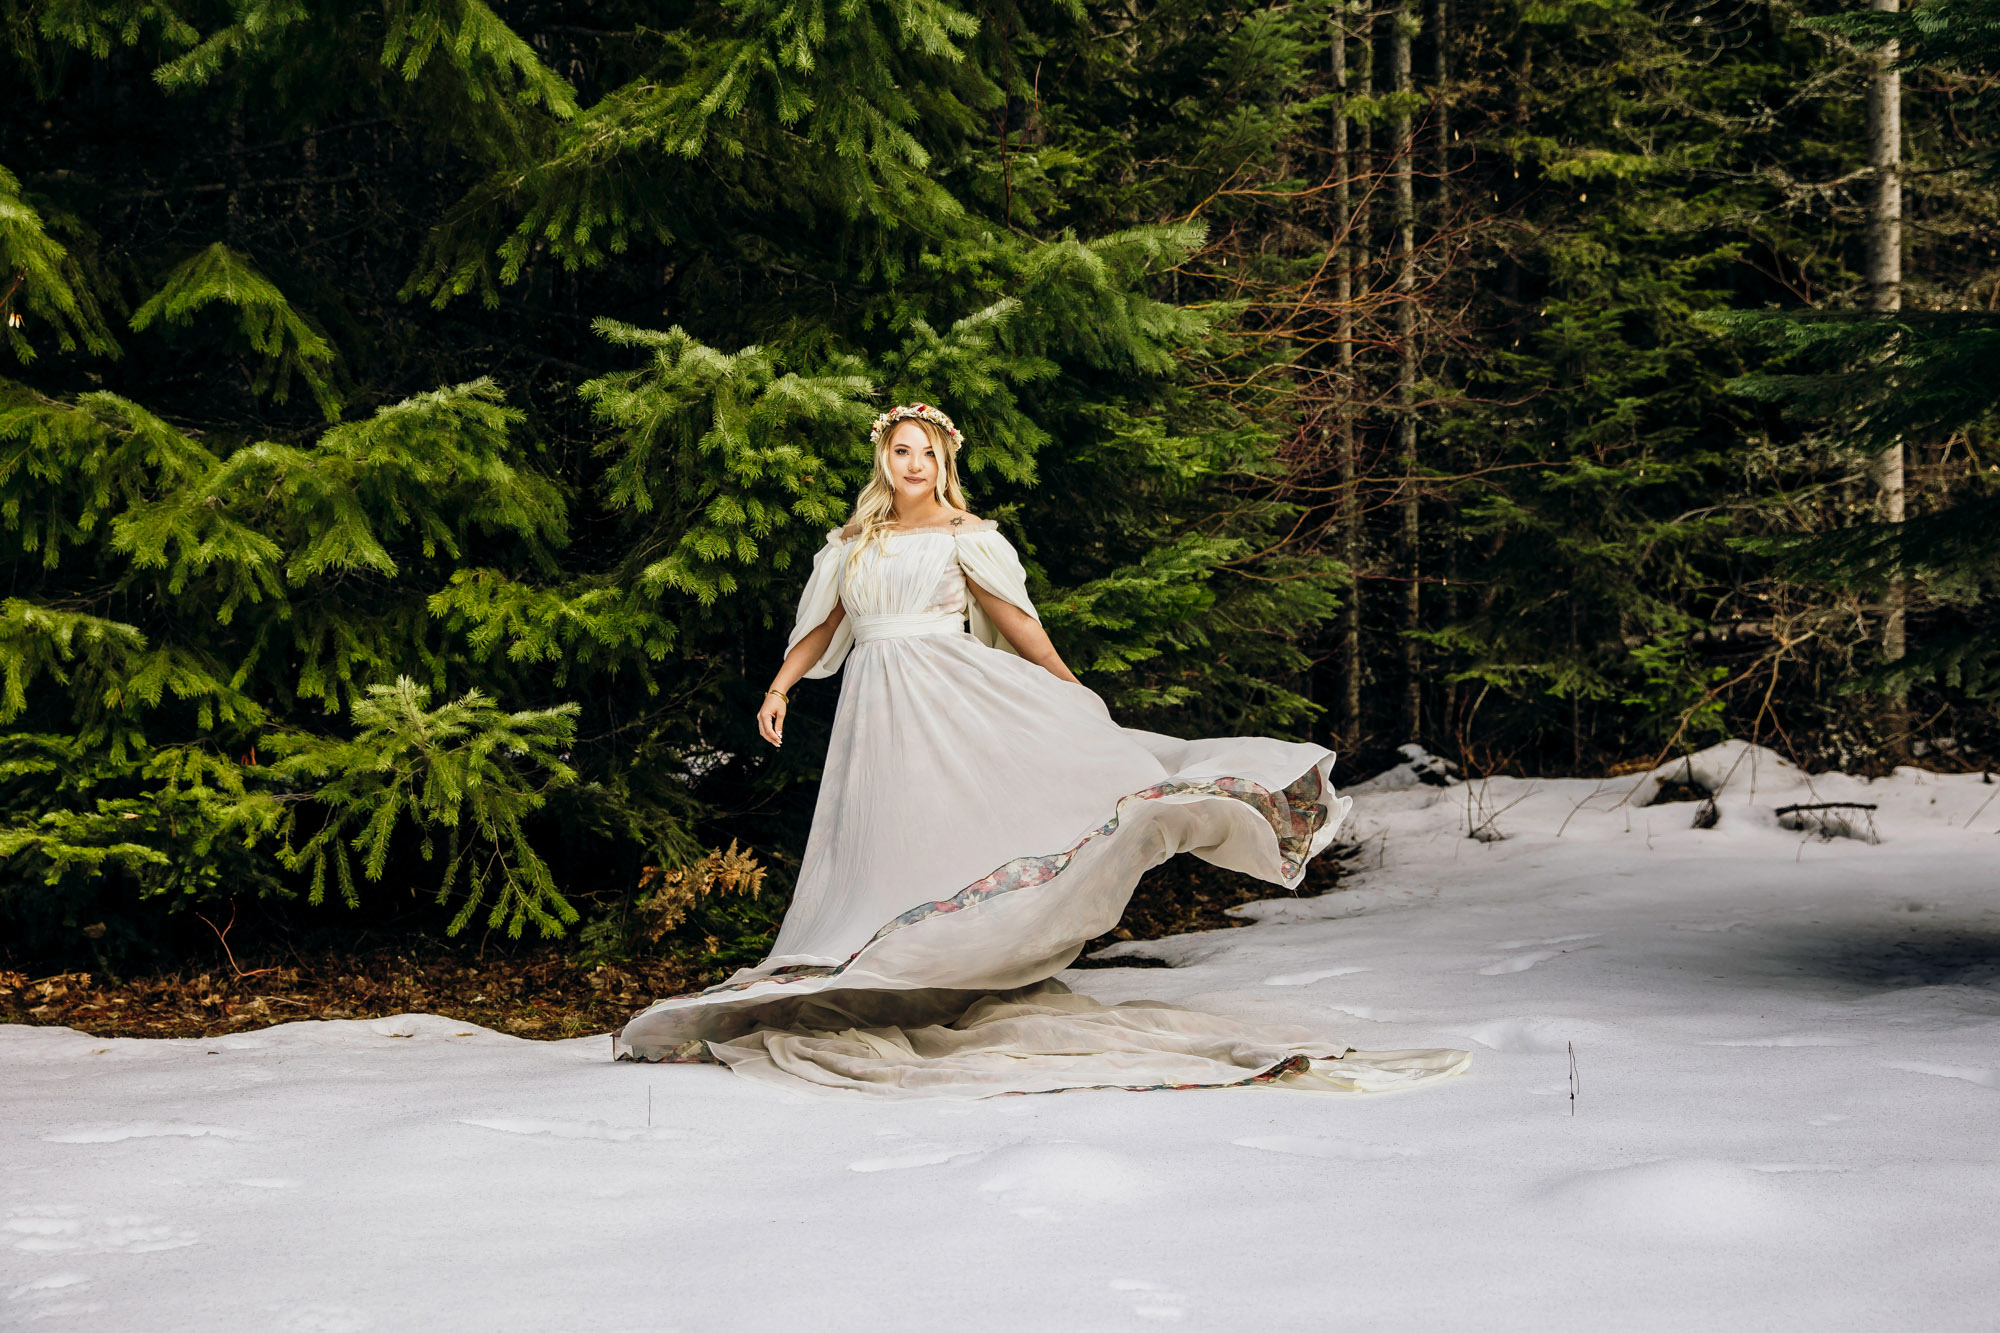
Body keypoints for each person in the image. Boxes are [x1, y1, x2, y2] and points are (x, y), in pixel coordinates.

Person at [617, 403, 1468, 1097]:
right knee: (883, 835)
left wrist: (1066, 684)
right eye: (900, 451)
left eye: (926, 452)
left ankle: (959, 954)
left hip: (948, 694)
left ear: (944, 462)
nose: (912, 464)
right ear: (883, 460)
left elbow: (1018, 621)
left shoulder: (964, 537)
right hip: (874, 709)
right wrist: (778, 687)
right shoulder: (851, 547)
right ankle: (882, 964)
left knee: (961, 812)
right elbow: (824, 627)